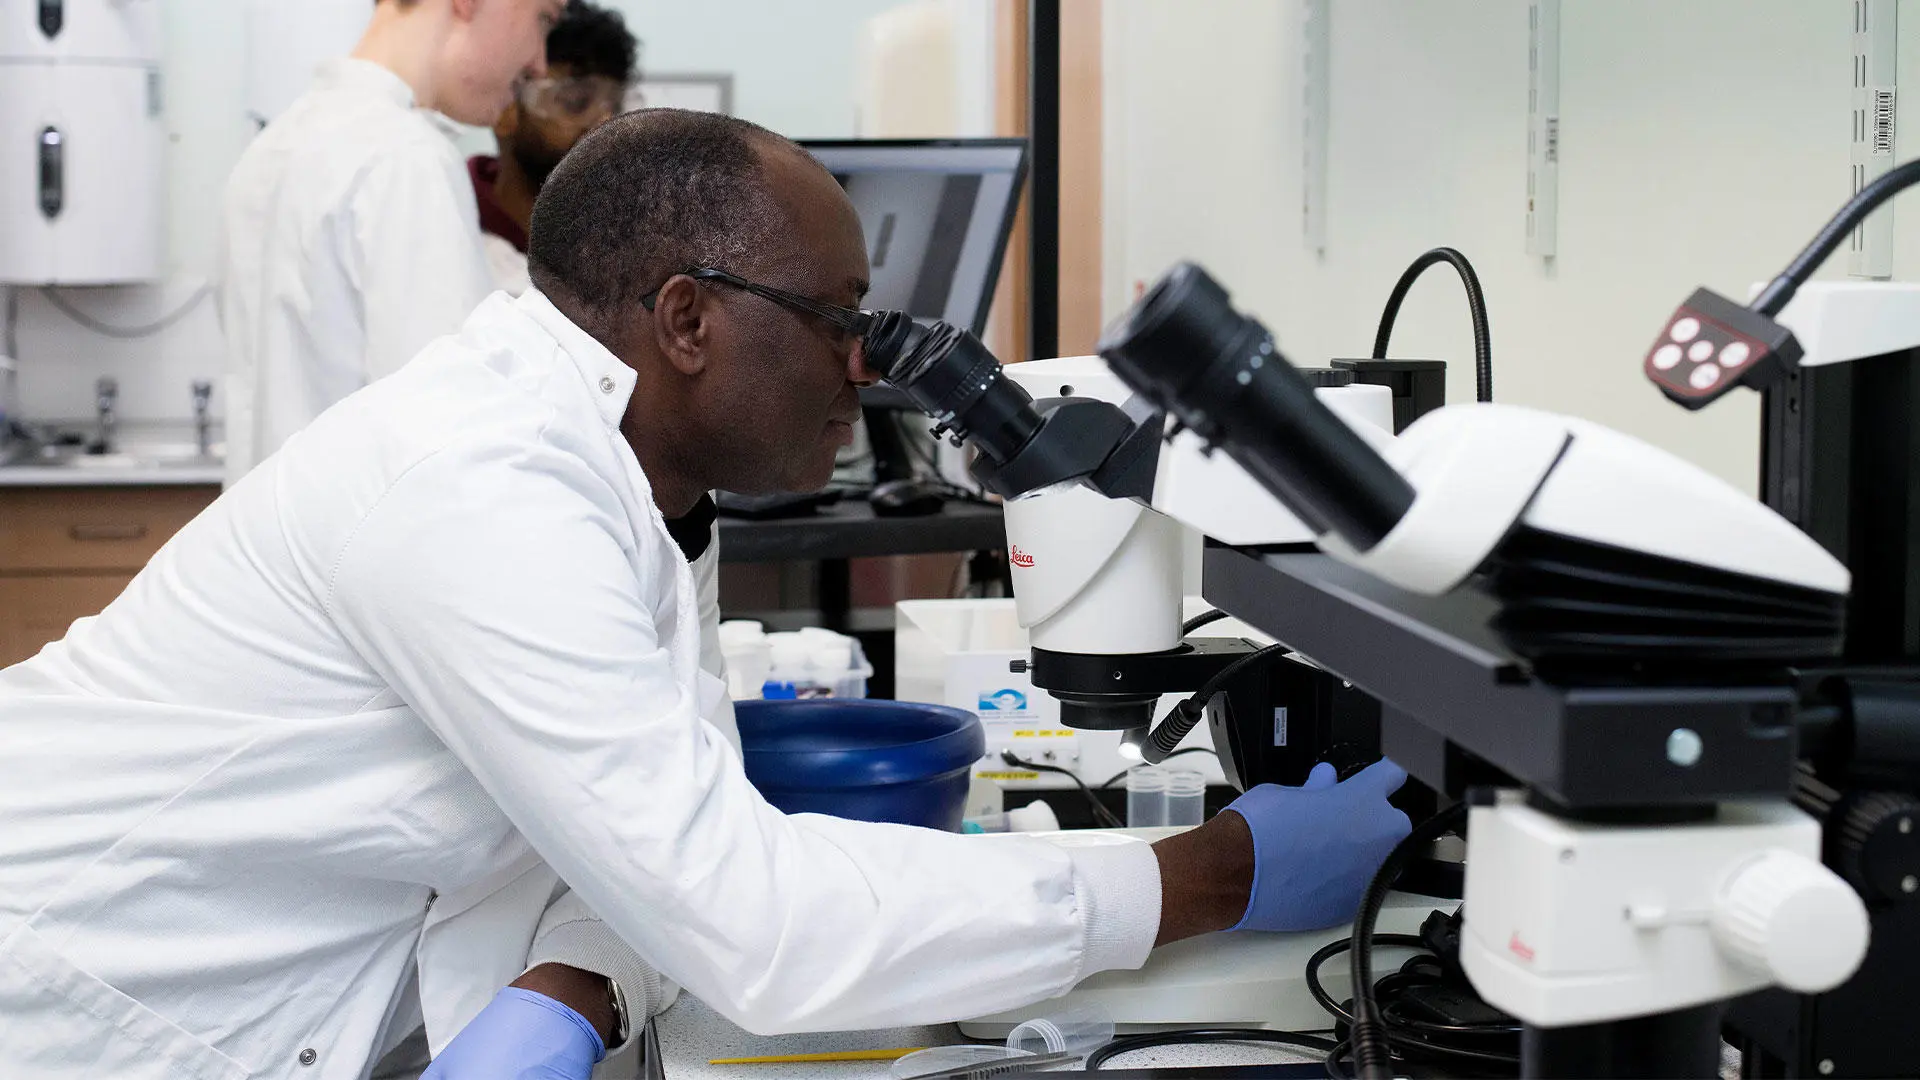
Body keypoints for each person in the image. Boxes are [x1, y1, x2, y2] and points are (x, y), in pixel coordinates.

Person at [0, 110, 1411, 1080]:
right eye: (839, 322)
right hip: (80, 993)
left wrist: (574, 983)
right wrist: (1207, 877)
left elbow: (639, 828)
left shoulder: (641, 474)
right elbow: (755, 919)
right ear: (688, 319)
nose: (862, 370)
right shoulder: (485, 489)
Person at [216, 0, 564, 485]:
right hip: (361, 547)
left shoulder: (273, 149)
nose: (538, 63)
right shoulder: (406, 158)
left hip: (279, 541)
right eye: (543, 18)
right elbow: (452, 438)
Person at [471, 0, 637, 296]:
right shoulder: (455, 228)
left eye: (616, 104)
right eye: (576, 102)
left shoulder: (623, 238)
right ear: (504, 107)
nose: (606, 123)